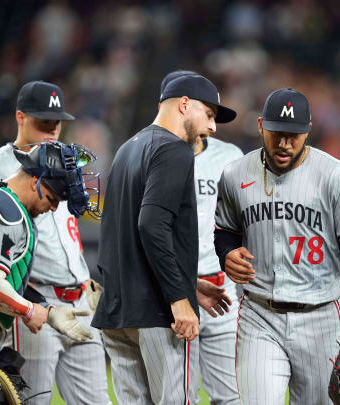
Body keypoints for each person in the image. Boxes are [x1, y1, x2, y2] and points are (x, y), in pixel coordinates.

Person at [0, 81, 110, 405]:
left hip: (80, 302)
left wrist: (83, 278)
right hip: (36, 303)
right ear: (20, 117)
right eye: (44, 121)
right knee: (34, 402)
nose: (53, 129)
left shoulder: (62, 164)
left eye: (57, 122)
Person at [213, 88, 340, 404]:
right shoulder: (235, 174)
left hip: (320, 317)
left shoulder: (335, 176)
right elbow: (225, 232)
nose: (285, 144)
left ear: (308, 129)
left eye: (294, 135)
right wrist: (226, 253)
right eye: (277, 134)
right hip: (259, 314)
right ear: (261, 125)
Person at [93, 74, 237, 404]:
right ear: (185, 105)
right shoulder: (175, 150)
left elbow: (119, 235)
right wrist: (178, 298)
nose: (213, 128)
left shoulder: (128, 148)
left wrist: (189, 284)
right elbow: (152, 226)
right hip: (157, 313)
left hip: (118, 310)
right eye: (210, 115)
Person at [161, 70, 244, 404]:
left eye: (214, 116)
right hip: (173, 290)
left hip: (223, 290)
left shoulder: (230, 157)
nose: (212, 124)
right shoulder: (153, 155)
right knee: (180, 397)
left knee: (234, 397)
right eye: (208, 114)